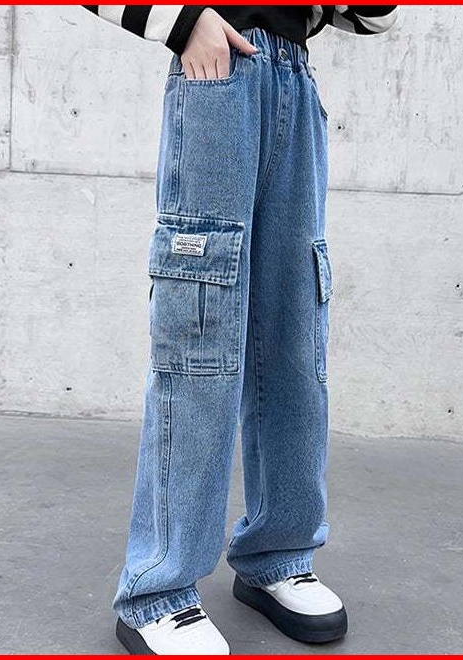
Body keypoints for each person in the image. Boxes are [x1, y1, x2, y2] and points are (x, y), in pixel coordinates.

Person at [81, 5, 399, 655]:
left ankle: (278, 554)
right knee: (201, 331)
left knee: (293, 336)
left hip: (294, 80)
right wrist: (183, 21)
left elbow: (372, 19)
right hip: (217, 75)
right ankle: (157, 589)